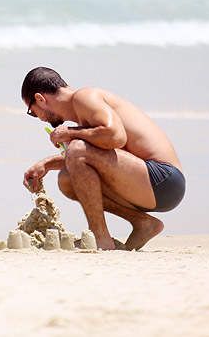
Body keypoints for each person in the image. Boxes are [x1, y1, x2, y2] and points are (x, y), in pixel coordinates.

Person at [21, 67, 185, 251]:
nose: (38, 118)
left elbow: (116, 136)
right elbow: (104, 157)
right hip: (149, 183)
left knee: (77, 149)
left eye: (33, 112)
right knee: (67, 179)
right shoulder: (84, 117)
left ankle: (100, 237)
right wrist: (47, 164)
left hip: (164, 178)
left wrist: (70, 132)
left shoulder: (84, 97)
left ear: (40, 99)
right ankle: (143, 223)